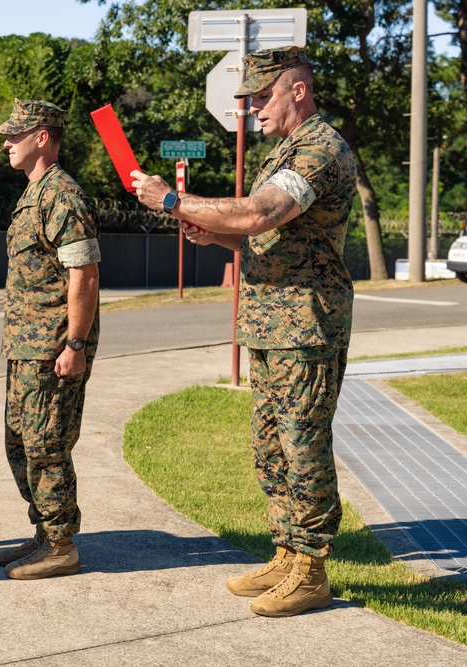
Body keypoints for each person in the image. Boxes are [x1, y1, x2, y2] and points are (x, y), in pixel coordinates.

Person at [131, 46, 357, 617]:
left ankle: (311, 569)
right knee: (271, 445)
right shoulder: (285, 150)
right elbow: (261, 234)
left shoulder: (321, 149)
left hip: (305, 322)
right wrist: (218, 234)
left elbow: (259, 214)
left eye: (262, 96)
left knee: (303, 444)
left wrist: (174, 199)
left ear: (297, 91)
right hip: (270, 323)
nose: (253, 109)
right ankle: (286, 553)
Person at [0, 98, 101, 580]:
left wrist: (74, 345)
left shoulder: (62, 195)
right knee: (20, 444)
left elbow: (85, 275)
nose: (7, 142)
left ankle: (61, 545)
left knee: (46, 446)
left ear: (42, 137)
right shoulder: (34, 195)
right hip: (26, 348)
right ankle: (43, 531)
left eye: (15, 134)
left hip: (54, 349)